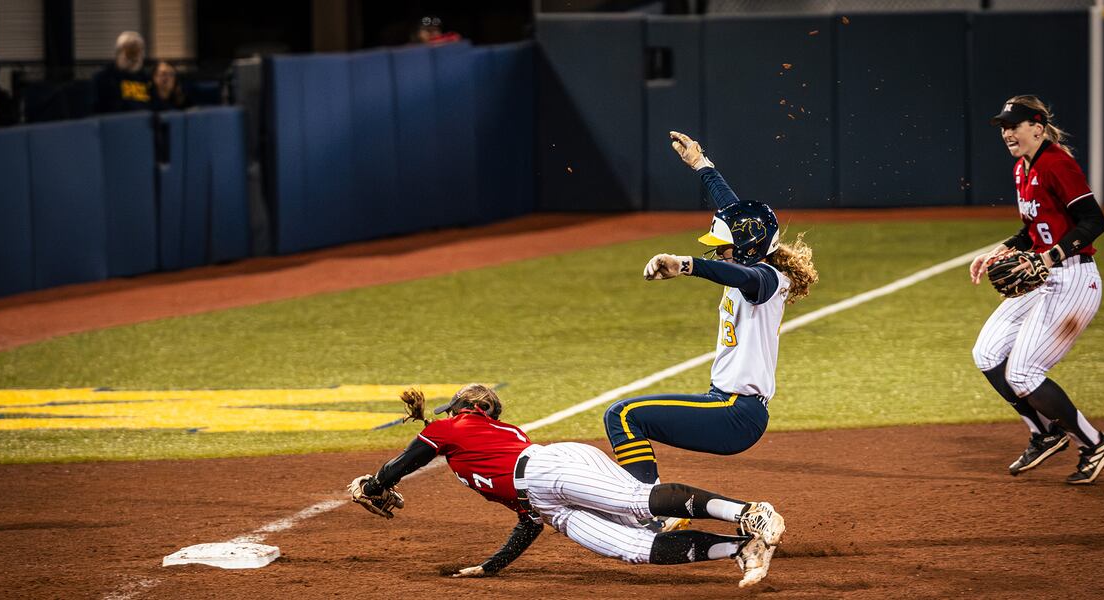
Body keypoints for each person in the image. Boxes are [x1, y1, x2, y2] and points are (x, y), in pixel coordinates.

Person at [347, 385, 786, 588]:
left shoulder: (455, 426)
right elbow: (528, 521)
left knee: (636, 502)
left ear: (475, 408)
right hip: (547, 506)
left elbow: (406, 461)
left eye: (456, 407)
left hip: (547, 468)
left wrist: (374, 483)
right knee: (632, 547)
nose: (449, 411)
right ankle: (743, 548)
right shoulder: (470, 451)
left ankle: (749, 512)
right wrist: (492, 566)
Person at [601, 132, 817, 529]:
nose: (718, 250)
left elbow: (738, 272)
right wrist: (701, 164)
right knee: (626, 416)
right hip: (726, 404)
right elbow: (734, 210)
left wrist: (687, 265)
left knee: (624, 415)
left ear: (750, 248)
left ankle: (645, 516)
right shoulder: (755, 257)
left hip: (736, 413)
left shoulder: (765, 280)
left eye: (725, 246)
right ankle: (651, 512)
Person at [969, 96, 1104, 485]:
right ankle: (1046, 433)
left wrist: (1048, 257)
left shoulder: (1057, 164)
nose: (1006, 133)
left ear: (1037, 126)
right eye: (1003, 126)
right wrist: (1001, 250)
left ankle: (1094, 442)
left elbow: (1093, 221)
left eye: (1013, 125)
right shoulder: (1022, 168)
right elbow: (1030, 232)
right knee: (986, 353)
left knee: (1024, 371)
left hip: (1074, 279)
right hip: (1045, 277)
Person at [92, 31, 151, 113]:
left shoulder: (147, 78)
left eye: (139, 50)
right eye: (130, 50)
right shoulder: (103, 77)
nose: (135, 56)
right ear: (118, 53)